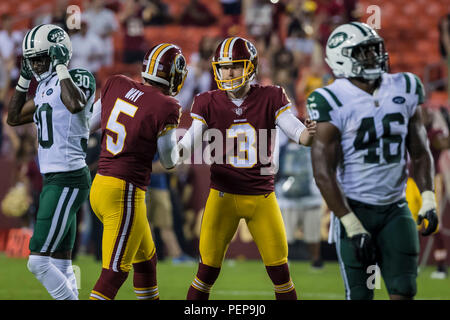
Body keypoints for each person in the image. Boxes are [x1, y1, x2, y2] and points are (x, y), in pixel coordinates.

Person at [308, 22, 439, 300]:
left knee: (404, 291)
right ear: (342, 58)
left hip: (396, 207)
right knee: (361, 296)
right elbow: (323, 172)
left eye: (374, 49)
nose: (374, 57)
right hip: (354, 208)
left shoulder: (405, 85)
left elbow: (419, 150)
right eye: (363, 53)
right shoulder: (331, 98)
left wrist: (428, 198)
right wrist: (352, 224)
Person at [179, 36, 316, 300]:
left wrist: (308, 136)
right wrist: (175, 153)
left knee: (281, 275)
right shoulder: (207, 101)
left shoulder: (271, 95)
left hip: (261, 197)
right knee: (205, 273)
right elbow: (188, 141)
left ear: (250, 67)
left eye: (235, 66)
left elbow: (294, 129)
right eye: (223, 67)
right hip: (222, 196)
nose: (228, 72)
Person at [88, 43, 187, 300]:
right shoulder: (166, 105)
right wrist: (183, 149)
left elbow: (89, 126)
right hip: (125, 192)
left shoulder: (117, 83)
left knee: (146, 260)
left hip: (100, 185)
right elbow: (168, 161)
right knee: (114, 273)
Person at [7, 24, 96, 300]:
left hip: (68, 175)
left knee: (37, 261)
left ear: (59, 53)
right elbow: (13, 117)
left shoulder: (77, 76)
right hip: (54, 177)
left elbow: (75, 104)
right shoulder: (45, 85)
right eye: (30, 59)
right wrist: (23, 81)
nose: (35, 64)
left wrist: (60, 67)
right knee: (60, 260)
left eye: (40, 58)